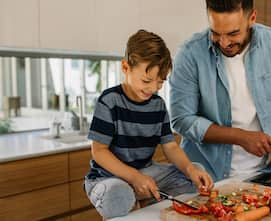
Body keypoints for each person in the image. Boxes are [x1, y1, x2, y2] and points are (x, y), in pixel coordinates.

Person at [169, 0, 271, 181]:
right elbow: (181, 120)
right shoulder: (189, 54)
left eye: (233, 33)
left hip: (262, 171)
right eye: (215, 33)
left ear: (252, 18)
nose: (224, 43)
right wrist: (241, 137)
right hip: (206, 176)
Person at [84, 30, 213, 220]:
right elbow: (99, 151)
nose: (153, 88)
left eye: (160, 82)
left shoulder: (158, 105)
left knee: (194, 172)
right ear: (126, 67)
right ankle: (138, 200)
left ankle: (142, 201)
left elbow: (170, 146)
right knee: (118, 195)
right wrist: (134, 177)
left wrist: (190, 169)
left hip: (146, 171)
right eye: (146, 80)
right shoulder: (109, 100)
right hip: (108, 177)